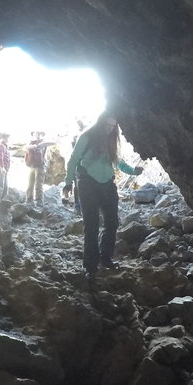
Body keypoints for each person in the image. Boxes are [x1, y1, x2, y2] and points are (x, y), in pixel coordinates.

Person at [62, 110, 143, 277]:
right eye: (107, 125)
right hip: (87, 183)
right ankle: (90, 266)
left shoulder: (111, 139)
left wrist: (133, 171)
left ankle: (106, 258)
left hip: (107, 184)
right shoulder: (87, 137)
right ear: (100, 122)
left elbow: (117, 161)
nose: (109, 129)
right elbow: (73, 159)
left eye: (113, 127)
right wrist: (68, 182)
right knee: (91, 225)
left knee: (112, 222)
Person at [24, 131, 55, 205]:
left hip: (39, 165)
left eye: (39, 134)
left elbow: (53, 142)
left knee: (37, 183)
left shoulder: (43, 142)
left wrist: (38, 145)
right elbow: (25, 148)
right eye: (36, 133)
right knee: (32, 183)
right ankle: (31, 200)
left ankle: (37, 201)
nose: (38, 135)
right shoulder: (32, 143)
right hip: (34, 165)